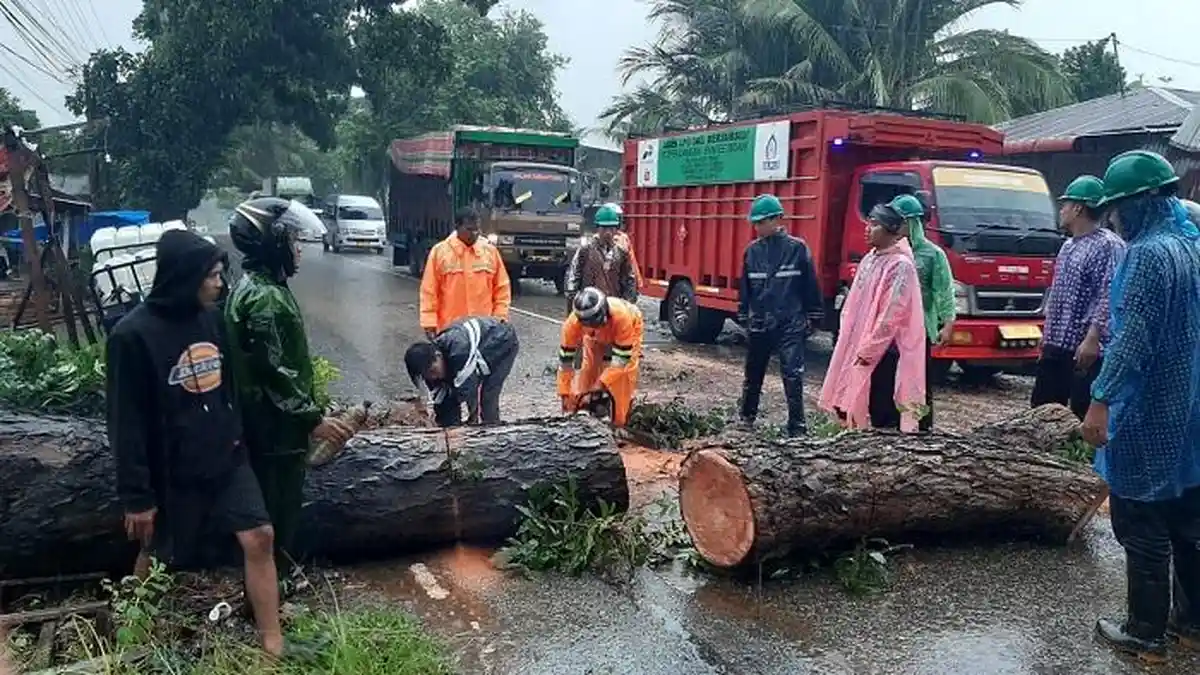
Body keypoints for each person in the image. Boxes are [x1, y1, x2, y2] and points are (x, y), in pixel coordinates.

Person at [106, 229, 287, 657]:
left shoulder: (213, 320)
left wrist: (237, 435)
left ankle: (273, 641)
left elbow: (229, 388)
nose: (220, 284)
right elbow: (124, 421)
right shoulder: (132, 336)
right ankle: (129, 636)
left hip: (227, 459)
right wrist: (137, 496)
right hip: (171, 468)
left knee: (260, 536)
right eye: (213, 276)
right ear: (186, 276)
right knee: (157, 555)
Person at [1079, 150, 1200, 661]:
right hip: (1190, 409)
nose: (1113, 218)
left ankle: (1145, 633)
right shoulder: (1191, 245)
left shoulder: (1149, 254)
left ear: (1139, 202)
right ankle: (1191, 623)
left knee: (1140, 521)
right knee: (1189, 520)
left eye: (1117, 208)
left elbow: (1132, 340)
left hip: (1149, 408)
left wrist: (1101, 398)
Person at [224, 197, 354, 586]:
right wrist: (311, 418)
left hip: (267, 427)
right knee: (278, 516)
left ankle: (269, 589)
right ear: (273, 242)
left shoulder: (259, 287)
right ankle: (271, 594)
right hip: (275, 433)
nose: (298, 249)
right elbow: (275, 370)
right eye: (292, 240)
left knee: (274, 515)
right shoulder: (266, 298)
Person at [819, 202, 926, 432]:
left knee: (881, 409)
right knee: (855, 401)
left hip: (885, 350)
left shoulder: (900, 265)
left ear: (891, 231)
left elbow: (891, 314)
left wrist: (870, 349)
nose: (867, 229)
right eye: (868, 222)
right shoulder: (870, 259)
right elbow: (853, 303)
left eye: (875, 224)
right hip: (860, 344)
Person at [1031, 175, 1125, 420]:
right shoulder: (1068, 245)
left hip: (1084, 350)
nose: (1061, 210)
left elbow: (1109, 294)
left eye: (1065, 204)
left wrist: (1093, 338)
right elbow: (1057, 296)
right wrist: (1046, 339)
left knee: (1079, 416)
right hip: (1056, 346)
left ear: (1078, 208)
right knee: (1042, 412)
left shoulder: (1108, 245)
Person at [736, 194, 822, 437]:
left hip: (789, 322)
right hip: (760, 322)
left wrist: (814, 316)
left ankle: (797, 426)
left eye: (761, 222)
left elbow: (810, 285)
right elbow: (746, 287)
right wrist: (743, 314)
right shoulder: (752, 252)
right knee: (753, 373)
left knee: (792, 374)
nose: (758, 227)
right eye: (755, 223)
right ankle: (747, 417)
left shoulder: (797, 249)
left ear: (777, 219)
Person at [891, 193, 954, 431]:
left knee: (919, 381)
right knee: (889, 379)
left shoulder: (932, 254)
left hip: (919, 330)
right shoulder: (889, 252)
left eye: (900, 221)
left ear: (912, 222)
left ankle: (922, 429)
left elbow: (943, 290)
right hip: (890, 331)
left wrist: (947, 323)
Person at [404, 316, 520, 427]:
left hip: (502, 339)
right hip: (475, 344)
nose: (433, 377)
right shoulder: (428, 367)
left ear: (438, 356)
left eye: (433, 371)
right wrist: (446, 425)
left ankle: (491, 427)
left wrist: (472, 423)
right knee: (449, 400)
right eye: (427, 376)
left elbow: (470, 390)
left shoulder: (460, 352)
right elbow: (441, 400)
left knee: (486, 394)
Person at [558, 287, 644, 427]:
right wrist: (565, 393)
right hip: (593, 338)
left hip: (628, 328)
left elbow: (621, 360)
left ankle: (619, 422)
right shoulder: (571, 325)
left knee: (623, 379)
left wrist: (600, 384)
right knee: (588, 371)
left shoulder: (622, 318)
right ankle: (582, 412)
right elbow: (565, 363)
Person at [419, 207, 512, 337]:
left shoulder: (490, 252)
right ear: (457, 227)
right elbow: (429, 291)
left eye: (477, 229)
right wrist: (429, 323)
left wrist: (499, 319)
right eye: (469, 229)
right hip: (450, 330)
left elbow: (502, 289)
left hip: (483, 330)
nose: (475, 233)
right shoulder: (440, 252)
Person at [565, 203, 639, 309]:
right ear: (597, 228)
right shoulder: (585, 250)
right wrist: (573, 304)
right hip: (589, 305)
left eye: (611, 228)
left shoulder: (622, 252)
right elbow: (573, 278)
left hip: (614, 307)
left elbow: (629, 280)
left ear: (617, 229)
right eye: (604, 228)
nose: (608, 233)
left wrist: (628, 305)